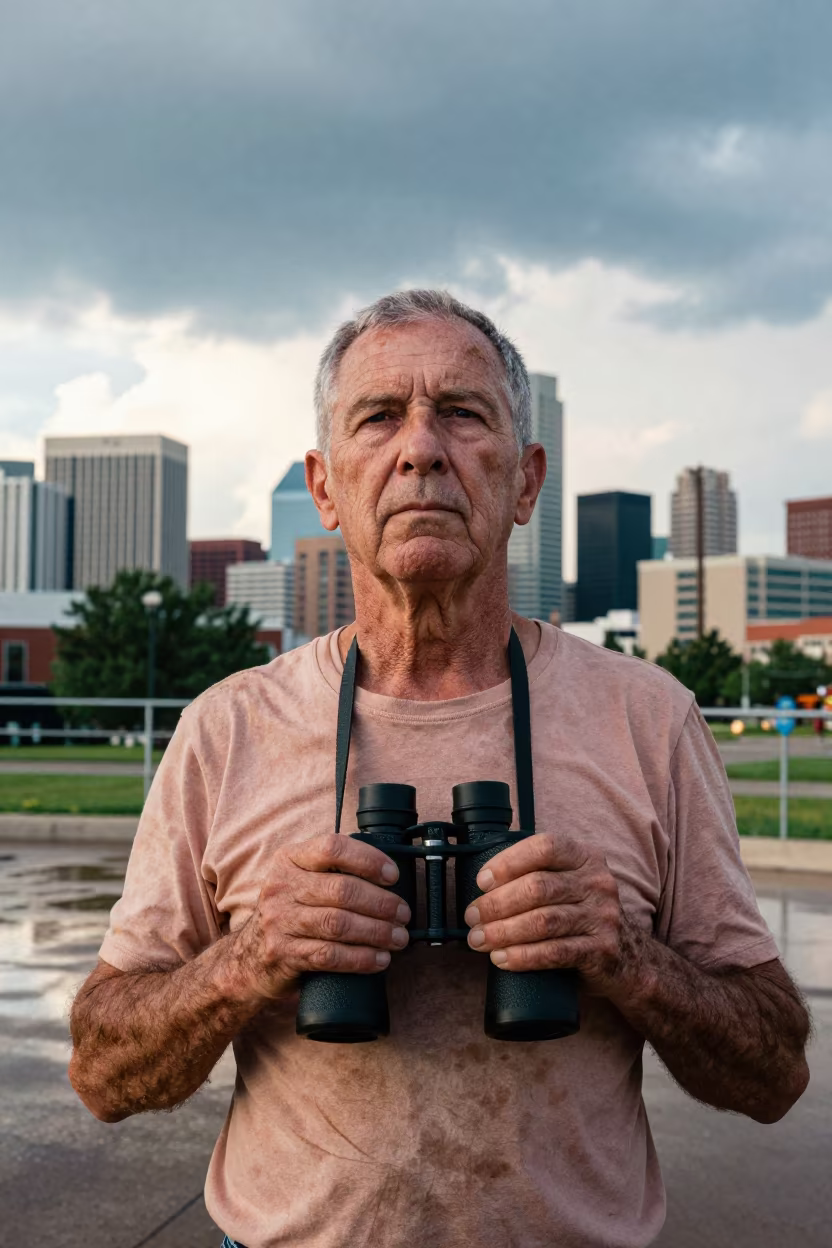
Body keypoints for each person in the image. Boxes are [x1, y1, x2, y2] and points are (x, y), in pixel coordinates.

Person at [69, 290, 810, 1248]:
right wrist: (250, 961)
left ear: (527, 481)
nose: (422, 448)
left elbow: (774, 1072)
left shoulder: (647, 718)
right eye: (379, 417)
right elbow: (101, 1073)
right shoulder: (230, 727)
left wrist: (626, 957)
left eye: (463, 413)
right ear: (326, 486)